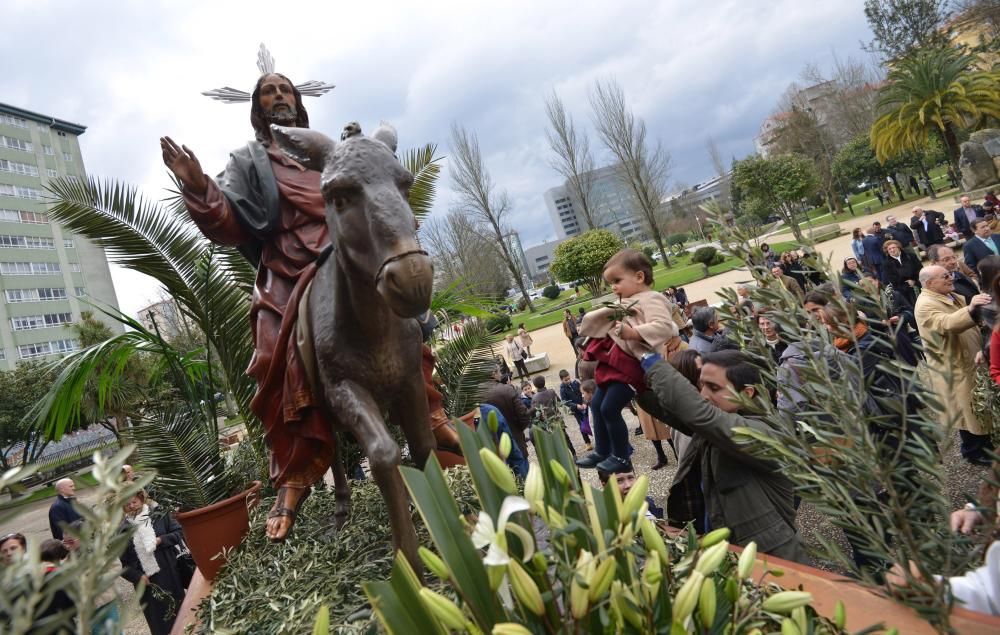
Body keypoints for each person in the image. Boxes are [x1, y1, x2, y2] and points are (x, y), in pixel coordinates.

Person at [161, 71, 458, 541]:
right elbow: (230, 222)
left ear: (298, 102)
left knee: (400, 310)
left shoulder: (335, 156)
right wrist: (199, 188)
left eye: (285, 90)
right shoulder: (249, 160)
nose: (279, 97)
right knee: (272, 347)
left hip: (347, 251)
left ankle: (431, 413)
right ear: (257, 107)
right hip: (288, 266)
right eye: (268, 92)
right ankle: (294, 477)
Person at [637, 350, 807, 562]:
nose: (703, 395)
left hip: (770, 563)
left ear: (747, 393)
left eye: (714, 388)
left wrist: (648, 359)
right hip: (729, 551)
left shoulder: (764, 435)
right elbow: (674, 411)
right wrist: (635, 380)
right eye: (702, 385)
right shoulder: (723, 424)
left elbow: (699, 414)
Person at [576, 249, 676, 474]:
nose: (613, 287)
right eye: (611, 283)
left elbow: (663, 326)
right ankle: (602, 451)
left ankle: (620, 456)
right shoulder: (627, 301)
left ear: (639, 277)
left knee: (610, 408)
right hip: (614, 362)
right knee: (598, 406)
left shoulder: (653, 298)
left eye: (617, 281)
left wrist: (633, 333)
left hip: (632, 365)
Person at [915, 265, 994, 466]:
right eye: (945, 277)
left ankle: (984, 445)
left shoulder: (948, 295)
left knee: (975, 406)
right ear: (929, 283)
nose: (951, 278)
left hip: (968, 358)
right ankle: (973, 452)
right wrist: (970, 308)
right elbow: (946, 324)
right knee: (965, 410)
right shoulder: (925, 304)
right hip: (955, 366)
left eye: (949, 275)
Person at [119, 491, 188, 635]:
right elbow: (123, 566)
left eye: (134, 502)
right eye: (127, 504)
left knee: (183, 617)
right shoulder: (122, 531)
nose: (131, 506)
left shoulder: (159, 515)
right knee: (161, 625)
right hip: (149, 586)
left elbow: (179, 533)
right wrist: (137, 576)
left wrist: (160, 540)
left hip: (171, 574)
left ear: (142, 499)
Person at [482, 365, 532, 458]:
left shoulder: (476, 395)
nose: (501, 374)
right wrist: (518, 430)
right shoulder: (507, 389)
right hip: (515, 440)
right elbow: (524, 415)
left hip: (494, 447)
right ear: (494, 374)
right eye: (499, 372)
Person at [882, 239, 922, 308]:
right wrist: (906, 282)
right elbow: (892, 278)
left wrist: (914, 281)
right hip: (902, 290)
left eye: (893, 247)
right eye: (889, 249)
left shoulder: (910, 256)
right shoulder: (886, 263)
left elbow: (919, 269)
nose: (892, 250)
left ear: (898, 247)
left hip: (917, 285)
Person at [558, 369, 591, 450]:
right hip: (576, 410)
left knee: (591, 421)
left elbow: (583, 393)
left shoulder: (576, 383)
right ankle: (587, 442)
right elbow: (565, 401)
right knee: (582, 426)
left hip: (584, 406)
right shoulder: (562, 389)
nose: (568, 381)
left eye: (569, 378)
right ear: (561, 380)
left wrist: (584, 402)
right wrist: (576, 406)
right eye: (566, 380)